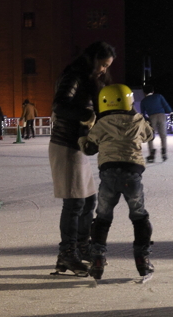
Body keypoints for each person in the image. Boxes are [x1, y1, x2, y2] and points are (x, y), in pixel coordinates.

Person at [49, 41, 116, 274]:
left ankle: (81, 246)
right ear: (93, 59)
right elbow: (60, 105)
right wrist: (86, 114)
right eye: (103, 64)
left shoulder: (87, 78)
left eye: (107, 66)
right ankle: (67, 253)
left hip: (78, 145)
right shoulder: (73, 75)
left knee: (87, 200)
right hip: (65, 144)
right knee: (74, 201)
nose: (104, 70)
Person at [79, 84, 155, 283]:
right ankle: (142, 258)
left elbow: (89, 148)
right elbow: (150, 135)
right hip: (132, 174)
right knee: (139, 216)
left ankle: (97, 258)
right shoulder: (138, 120)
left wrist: (83, 135)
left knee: (103, 217)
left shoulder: (101, 124)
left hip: (109, 174)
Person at [140, 85, 173, 162]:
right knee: (163, 135)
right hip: (161, 116)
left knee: (150, 136)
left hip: (152, 117)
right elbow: (165, 104)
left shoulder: (144, 101)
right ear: (153, 91)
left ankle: (152, 153)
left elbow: (142, 113)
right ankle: (164, 152)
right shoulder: (159, 96)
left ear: (144, 92)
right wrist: (171, 112)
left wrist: (145, 118)